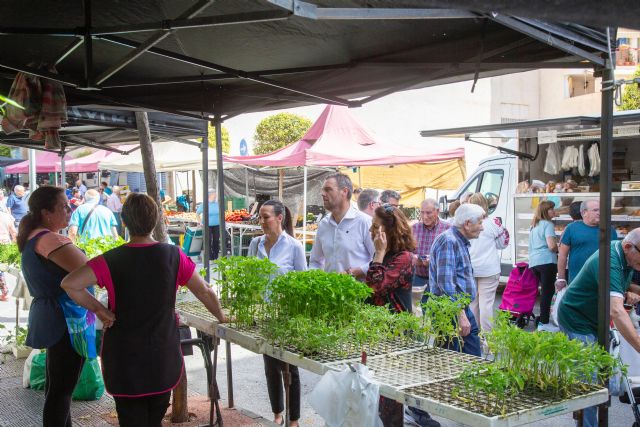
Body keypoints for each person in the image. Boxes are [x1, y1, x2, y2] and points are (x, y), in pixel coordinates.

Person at [61, 193, 227, 427]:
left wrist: (100, 310)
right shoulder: (174, 256)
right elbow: (205, 292)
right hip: (162, 355)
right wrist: (222, 316)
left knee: (132, 419)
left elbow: (70, 284)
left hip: (124, 359)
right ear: (156, 219)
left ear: (125, 222)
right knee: (155, 417)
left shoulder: (110, 260)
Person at [17, 186, 88, 426]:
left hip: (51, 317)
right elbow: (90, 271)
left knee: (57, 387)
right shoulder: (50, 239)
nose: (70, 211)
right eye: (64, 207)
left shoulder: (33, 236)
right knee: (61, 391)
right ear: (46, 213)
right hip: (64, 319)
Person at [557, 229, 640, 427]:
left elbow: (620, 287)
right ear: (629, 247)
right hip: (577, 319)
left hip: (596, 320)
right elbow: (616, 311)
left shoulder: (626, 256)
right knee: (589, 384)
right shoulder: (610, 260)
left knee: (599, 378)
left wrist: (627, 291)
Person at [364, 204, 426, 426]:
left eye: (375, 226)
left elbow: (375, 287)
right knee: (372, 392)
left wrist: (378, 254)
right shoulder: (386, 255)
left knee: (389, 397)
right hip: (376, 332)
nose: (372, 231)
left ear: (389, 230)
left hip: (395, 335)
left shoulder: (405, 258)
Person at [248, 200, 306, 427]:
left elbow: (302, 283)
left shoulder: (294, 246)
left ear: (279, 218)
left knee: (290, 367)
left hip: (287, 315)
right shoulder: (255, 244)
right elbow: (250, 278)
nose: (261, 221)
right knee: (270, 364)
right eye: (260, 217)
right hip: (263, 314)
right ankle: (277, 413)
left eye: (266, 217)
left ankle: (294, 418)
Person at [429, 203, 485, 357]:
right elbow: (446, 284)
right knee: (450, 360)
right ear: (467, 224)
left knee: (470, 358)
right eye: (480, 222)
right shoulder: (449, 241)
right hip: (450, 311)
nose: (482, 227)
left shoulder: (457, 240)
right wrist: (460, 315)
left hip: (458, 308)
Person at [309, 173, 375, 280]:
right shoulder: (324, 224)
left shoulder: (364, 222)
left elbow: (379, 260)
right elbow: (315, 261)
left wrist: (354, 273)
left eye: (328, 189)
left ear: (344, 191)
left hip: (359, 294)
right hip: (329, 294)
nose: (322, 193)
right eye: (323, 190)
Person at [467, 193, 510, 332]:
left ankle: (473, 335)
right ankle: (487, 339)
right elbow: (503, 243)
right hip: (489, 269)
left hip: (470, 268)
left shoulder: (466, 224)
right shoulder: (492, 223)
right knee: (486, 305)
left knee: (472, 304)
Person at [557, 200, 616, 287]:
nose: (599, 213)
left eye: (601, 210)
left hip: (602, 282)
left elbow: (615, 256)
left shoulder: (609, 230)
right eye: (595, 210)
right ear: (584, 213)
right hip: (577, 280)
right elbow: (562, 255)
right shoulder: (571, 228)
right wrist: (561, 278)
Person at [412, 199, 451, 302]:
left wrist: (434, 261)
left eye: (428, 212)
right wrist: (413, 257)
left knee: (438, 311)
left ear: (437, 211)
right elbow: (406, 250)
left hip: (440, 279)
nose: (425, 216)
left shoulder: (447, 228)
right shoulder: (414, 228)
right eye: (422, 212)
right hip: (418, 278)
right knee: (418, 310)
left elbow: (452, 255)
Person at [527, 200, 558, 330]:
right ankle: (544, 322)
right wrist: (559, 247)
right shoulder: (548, 225)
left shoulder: (534, 225)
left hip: (534, 262)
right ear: (547, 211)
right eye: (552, 209)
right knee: (548, 291)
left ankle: (542, 318)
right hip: (547, 261)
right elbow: (551, 246)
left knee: (544, 291)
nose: (554, 211)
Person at [196, 189, 221, 261]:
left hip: (217, 225)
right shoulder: (204, 204)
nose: (215, 196)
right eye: (214, 194)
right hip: (207, 225)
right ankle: (209, 257)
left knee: (216, 240)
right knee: (208, 240)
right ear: (209, 195)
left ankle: (215, 256)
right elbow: (197, 213)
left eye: (215, 194)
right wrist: (200, 222)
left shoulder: (217, 204)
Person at [0, 208, 16, 301]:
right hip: (6, 244)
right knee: (1, 268)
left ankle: (5, 292)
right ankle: (5, 292)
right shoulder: (7, 216)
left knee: (0, 269)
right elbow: (14, 232)